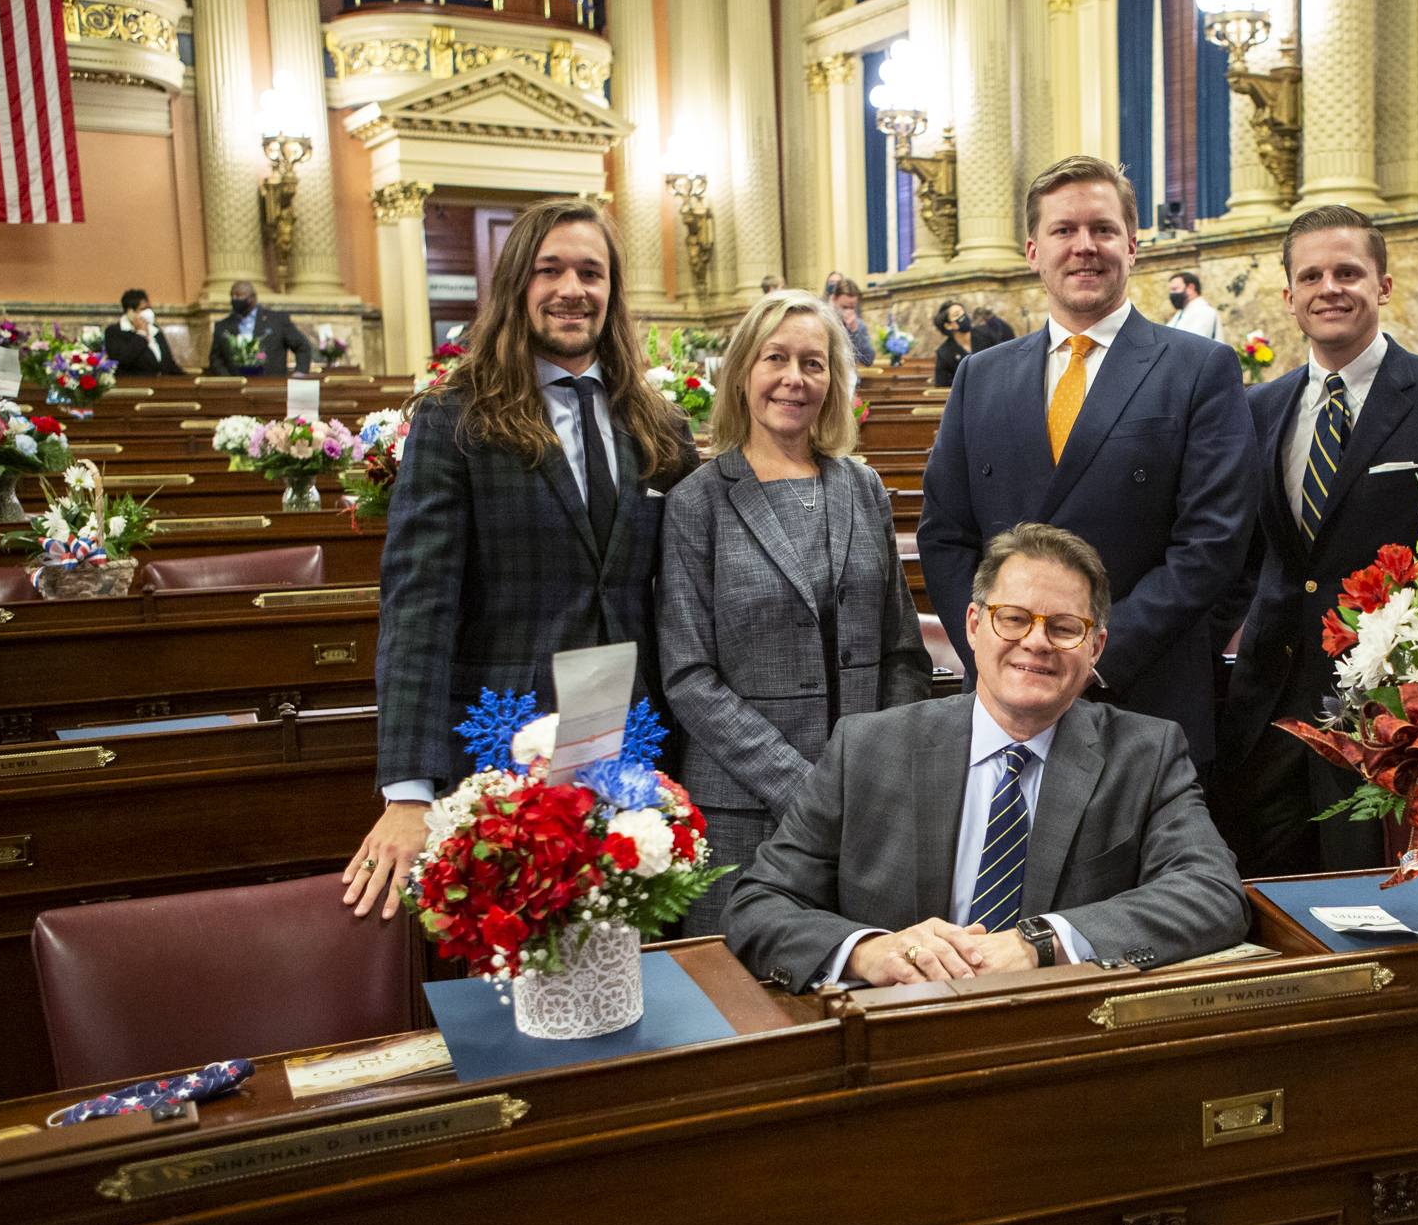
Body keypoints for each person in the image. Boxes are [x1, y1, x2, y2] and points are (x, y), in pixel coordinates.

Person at [345, 197, 700, 918]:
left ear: (612, 291)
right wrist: (407, 791)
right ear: (517, 285)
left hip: (634, 737)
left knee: (632, 947)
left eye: (591, 272)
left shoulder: (655, 422)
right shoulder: (457, 418)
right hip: (503, 742)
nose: (573, 288)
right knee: (522, 961)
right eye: (551, 269)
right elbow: (418, 606)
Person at [725, 523, 1247, 992]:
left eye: (1065, 628)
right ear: (974, 625)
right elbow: (759, 905)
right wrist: (866, 950)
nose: (1036, 642)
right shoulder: (865, 748)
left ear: (1096, 648)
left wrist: (1041, 944)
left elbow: (1212, 894)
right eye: (1013, 619)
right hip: (896, 1045)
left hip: (1066, 1049)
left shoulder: (1146, 755)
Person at [1213, 205, 1418, 877]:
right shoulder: (1255, 409)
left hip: (1387, 713)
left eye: (1349, 272)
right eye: (1312, 275)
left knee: (1371, 901)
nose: (1331, 287)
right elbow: (1236, 558)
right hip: (1267, 705)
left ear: (1382, 285)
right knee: (1258, 897)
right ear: (1289, 295)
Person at [916, 154, 1257, 770]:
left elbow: (1213, 541)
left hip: (1139, 688)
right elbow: (945, 533)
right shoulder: (980, 376)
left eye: (1102, 229)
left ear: (1132, 245)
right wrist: (1004, 653)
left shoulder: (1198, 368)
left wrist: (1091, 655)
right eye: (1063, 231)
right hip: (1005, 699)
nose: (1084, 247)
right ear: (1032, 251)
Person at [659, 289, 933, 934]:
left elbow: (901, 651)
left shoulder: (861, 486)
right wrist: (803, 785)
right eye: (774, 358)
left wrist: (880, 770)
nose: (794, 378)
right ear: (742, 373)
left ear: (834, 380)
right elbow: (688, 676)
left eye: (814, 363)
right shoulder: (698, 501)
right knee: (743, 1010)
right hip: (741, 810)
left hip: (869, 809)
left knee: (859, 991)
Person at [206, 280, 313, 376]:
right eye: (232, 295)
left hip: (272, 385)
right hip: (236, 387)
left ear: (253, 297)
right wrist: (228, 381)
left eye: (239, 295)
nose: (234, 299)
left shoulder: (277, 321)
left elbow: (302, 346)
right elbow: (216, 358)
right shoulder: (223, 326)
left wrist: (300, 373)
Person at [101, 289, 183, 376]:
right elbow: (123, 359)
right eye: (143, 309)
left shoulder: (155, 331)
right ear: (130, 312)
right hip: (136, 385)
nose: (149, 312)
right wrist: (141, 333)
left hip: (163, 384)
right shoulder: (114, 332)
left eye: (149, 308)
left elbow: (168, 363)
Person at [828, 277, 876, 369]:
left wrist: (855, 331)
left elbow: (868, 360)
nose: (848, 312)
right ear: (834, 299)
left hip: (851, 380)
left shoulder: (859, 325)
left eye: (852, 308)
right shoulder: (824, 322)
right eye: (844, 307)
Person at [1165, 270, 1224, 344]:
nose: (1172, 294)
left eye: (1175, 289)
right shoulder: (1181, 313)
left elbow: (1195, 343)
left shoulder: (1204, 311)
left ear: (1190, 288)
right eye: (1171, 290)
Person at [931, 299, 972, 388]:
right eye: (957, 315)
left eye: (963, 312)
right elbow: (942, 386)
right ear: (948, 325)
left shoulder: (984, 336)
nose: (963, 316)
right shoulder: (944, 353)